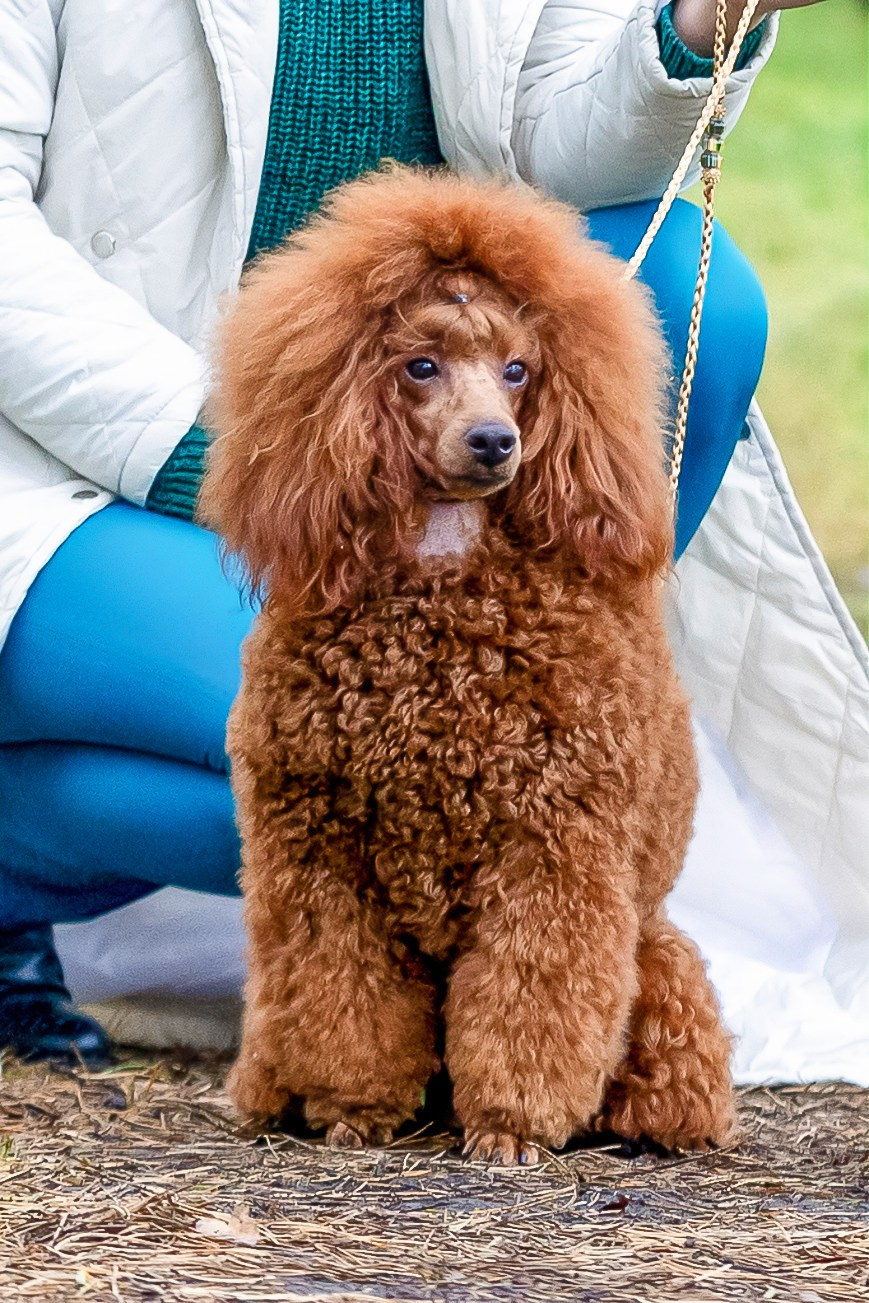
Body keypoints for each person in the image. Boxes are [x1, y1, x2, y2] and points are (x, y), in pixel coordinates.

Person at [0, 0, 830, 1063]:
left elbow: (558, 137)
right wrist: (250, 452)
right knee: (327, 761)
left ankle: (513, 951)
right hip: (77, 445)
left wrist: (695, 23)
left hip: (415, 430)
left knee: (682, 282)